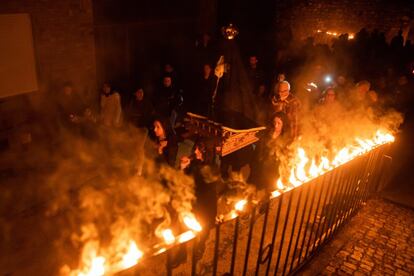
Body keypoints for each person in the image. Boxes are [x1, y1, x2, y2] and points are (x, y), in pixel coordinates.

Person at [249, 112, 290, 190]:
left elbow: (285, 153)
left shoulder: (285, 137)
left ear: (284, 124)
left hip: (275, 166)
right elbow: (260, 148)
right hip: (262, 161)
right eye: (274, 122)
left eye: (279, 123)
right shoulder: (267, 133)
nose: (276, 125)